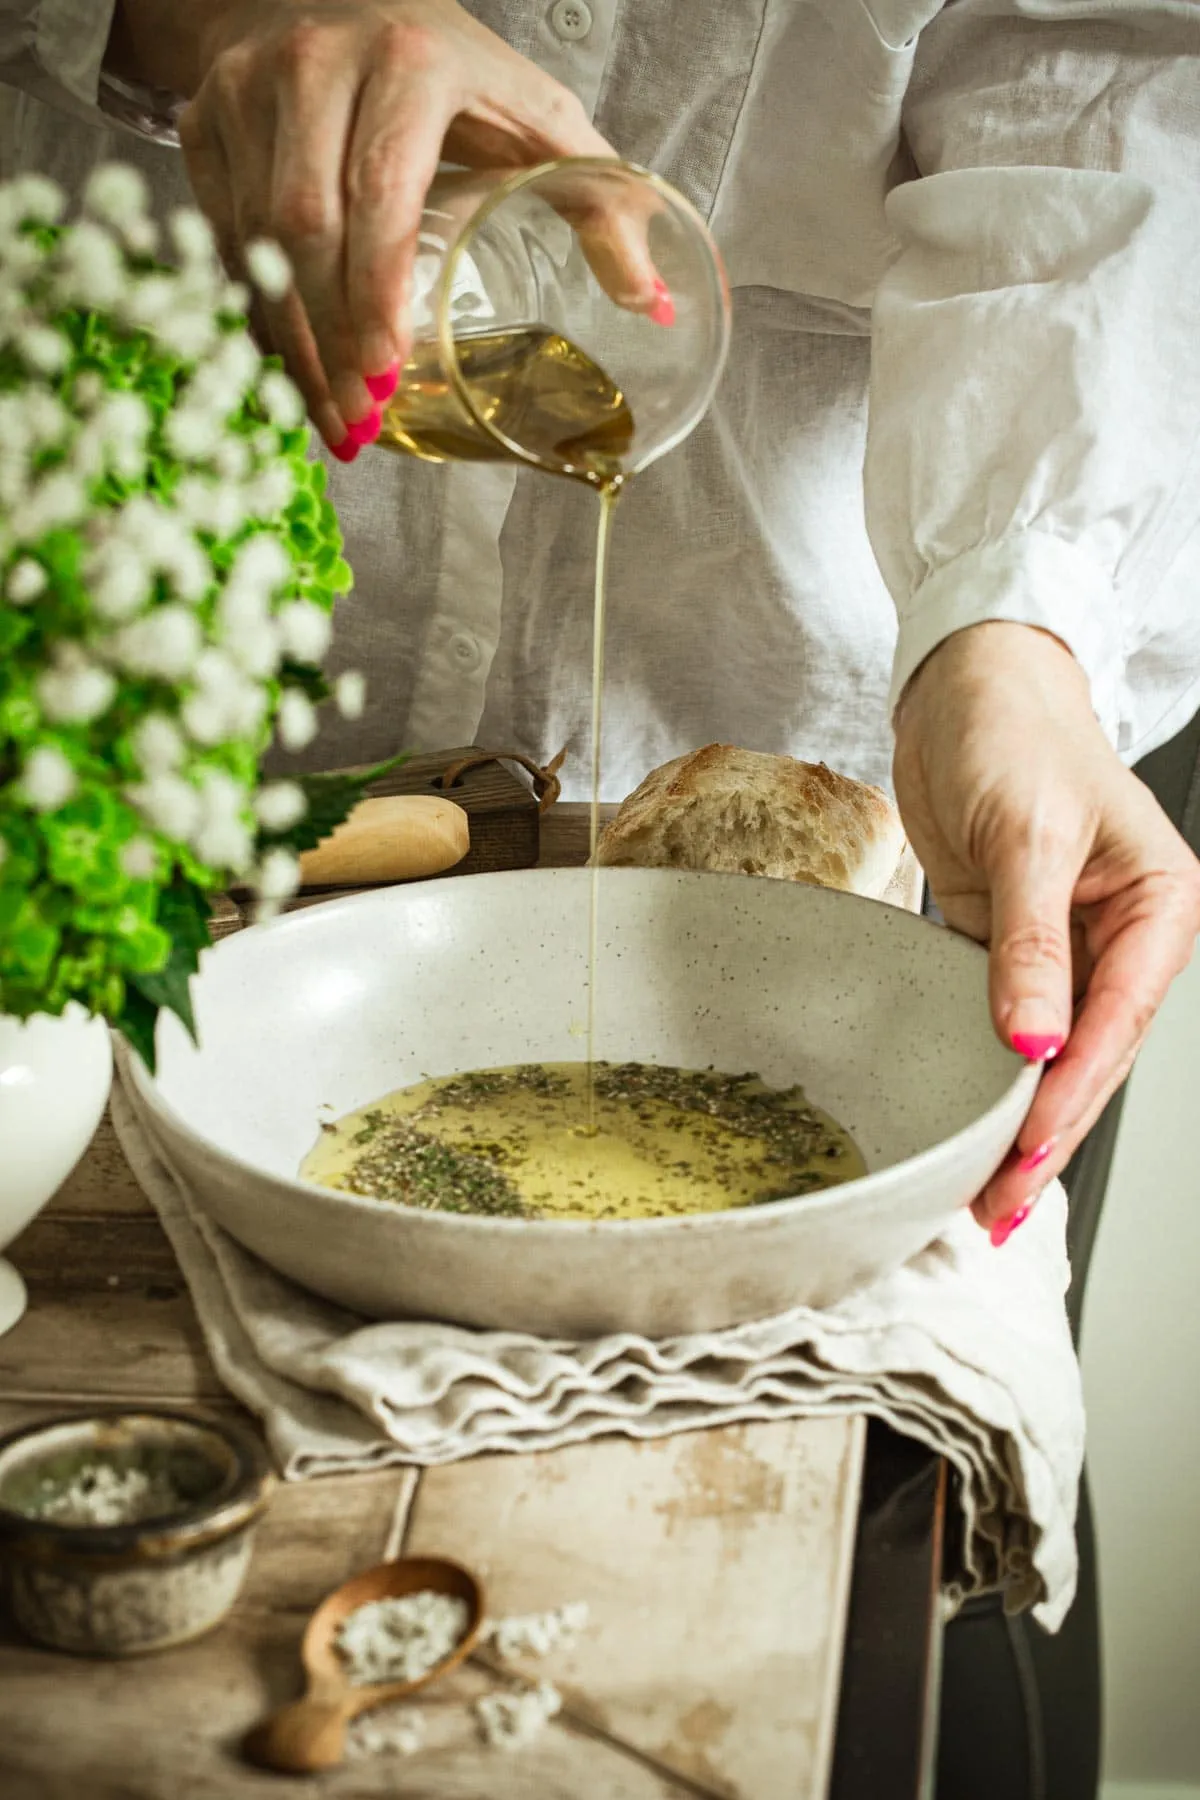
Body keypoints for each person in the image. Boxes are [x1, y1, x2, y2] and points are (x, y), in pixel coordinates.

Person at [2, 3, 1198, 1795]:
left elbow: (1122, 77)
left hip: (899, 727)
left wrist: (1017, 625)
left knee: (889, 1552)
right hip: (157, 651)